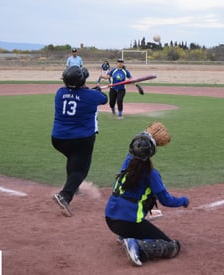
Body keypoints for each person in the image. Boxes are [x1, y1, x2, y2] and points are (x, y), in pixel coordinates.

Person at [104, 130, 190, 266]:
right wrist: (184, 200)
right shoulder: (151, 173)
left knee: (132, 201)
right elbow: (166, 200)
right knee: (171, 246)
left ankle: (125, 236)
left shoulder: (127, 162)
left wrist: (145, 135)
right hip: (128, 223)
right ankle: (136, 246)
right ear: (152, 152)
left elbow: (137, 147)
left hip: (110, 219)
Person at [52, 66, 108, 217]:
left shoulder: (60, 92)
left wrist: (90, 91)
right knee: (80, 170)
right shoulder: (91, 96)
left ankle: (73, 187)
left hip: (58, 139)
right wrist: (96, 91)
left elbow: (78, 94)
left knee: (73, 158)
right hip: (81, 139)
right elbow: (103, 99)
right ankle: (65, 195)